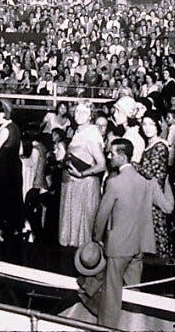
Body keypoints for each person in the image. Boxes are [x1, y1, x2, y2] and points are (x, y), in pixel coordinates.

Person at [93, 138, 174, 328]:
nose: (109, 156)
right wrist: (166, 180)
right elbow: (168, 207)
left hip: (118, 247)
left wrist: (97, 238)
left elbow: (102, 215)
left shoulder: (115, 182)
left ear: (122, 156)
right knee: (134, 293)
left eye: (112, 153)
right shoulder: (147, 182)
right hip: (139, 246)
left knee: (112, 294)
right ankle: (134, 326)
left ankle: (106, 328)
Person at [59, 101, 106, 247]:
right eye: (78, 111)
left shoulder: (91, 134)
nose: (79, 115)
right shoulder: (78, 131)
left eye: (84, 112)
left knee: (81, 229)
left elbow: (102, 164)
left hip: (83, 185)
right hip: (73, 184)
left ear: (91, 115)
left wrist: (82, 174)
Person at [137, 110, 174, 260]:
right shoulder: (150, 144)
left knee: (157, 236)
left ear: (158, 125)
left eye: (151, 124)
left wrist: (134, 165)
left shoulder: (159, 146)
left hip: (154, 199)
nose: (147, 127)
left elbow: (156, 176)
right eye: (144, 124)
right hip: (147, 197)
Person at [0, 100, 23, 242]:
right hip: (14, 169)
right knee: (10, 201)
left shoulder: (4, 130)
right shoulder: (15, 127)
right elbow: (20, 150)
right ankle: (6, 231)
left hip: (2, 171)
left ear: (3, 113)